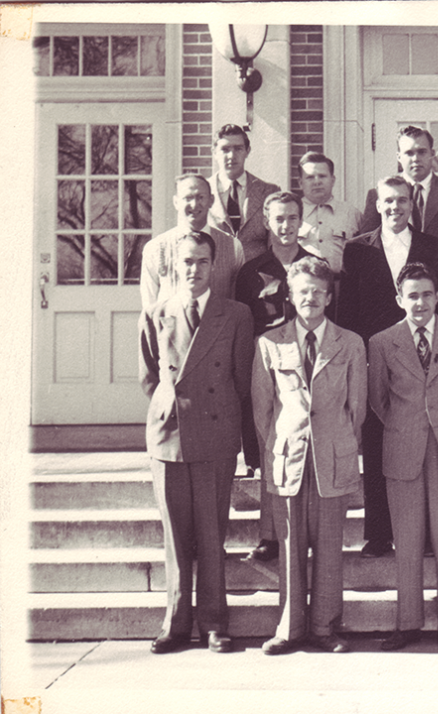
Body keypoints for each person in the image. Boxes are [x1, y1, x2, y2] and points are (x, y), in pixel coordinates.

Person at [139, 230, 254, 655]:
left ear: (214, 265)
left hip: (215, 433)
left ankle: (214, 623)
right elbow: (149, 377)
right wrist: (168, 410)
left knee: (211, 534)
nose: (194, 270)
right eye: (186, 261)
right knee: (174, 534)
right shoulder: (155, 313)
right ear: (173, 265)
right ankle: (175, 623)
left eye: (202, 262)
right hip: (168, 435)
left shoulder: (236, 314)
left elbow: (242, 383)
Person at [251, 256, 367, 655]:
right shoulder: (270, 343)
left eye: (319, 291)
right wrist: (282, 444)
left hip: (332, 456)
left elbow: (357, 410)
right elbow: (263, 410)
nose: (311, 298)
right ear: (290, 294)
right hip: (289, 457)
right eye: (303, 291)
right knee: (289, 548)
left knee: (330, 548)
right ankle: (289, 628)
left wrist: (335, 442)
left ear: (329, 296)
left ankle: (325, 627)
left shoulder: (350, 343)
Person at [368, 262, 438, 652]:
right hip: (403, 448)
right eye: (412, 295)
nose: (420, 302)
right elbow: (379, 400)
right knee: (407, 540)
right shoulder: (382, 342)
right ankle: (408, 622)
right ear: (400, 299)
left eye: (427, 294)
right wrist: (408, 425)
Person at [341, 176, 438, 559]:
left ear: (411, 204)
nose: (395, 207)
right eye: (387, 201)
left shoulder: (433, 248)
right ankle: (379, 533)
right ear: (377, 205)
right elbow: (347, 311)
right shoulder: (357, 250)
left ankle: (429, 533)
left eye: (402, 200)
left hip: (422, 360)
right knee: (376, 444)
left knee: (425, 444)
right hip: (374, 358)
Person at [235, 191, 321, 562]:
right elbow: (243, 325)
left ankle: (312, 532)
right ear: (268, 223)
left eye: (292, 218)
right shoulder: (252, 272)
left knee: (311, 446)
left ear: (301, 221)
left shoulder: (317, 266)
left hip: (309, 364)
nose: (286, 226)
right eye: (279, 219)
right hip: (268, 365)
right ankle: (271, 535)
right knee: (272, 445)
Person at [141, 174, 244, 310]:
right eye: (188, 198)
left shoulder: (233, 246)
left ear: (211, 201)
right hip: (172, 329)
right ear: (176, 202)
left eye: (201, 197)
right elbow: (149, 306)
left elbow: (239, 301)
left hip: (219, 330)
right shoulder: (155, 247)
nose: (194, 205)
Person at [357, 125, 438, 244]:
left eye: (422, 152)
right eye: (409, 153)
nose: (415, 159)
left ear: (432, 153)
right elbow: (368, 244)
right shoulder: (378, 194)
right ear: (399, 156)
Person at [207, 124, 282, 262]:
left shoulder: (269, 192)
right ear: (214, 152)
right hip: (216, 276)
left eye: (238, 149)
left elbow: (275, 243)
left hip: (256, 277)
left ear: (247, 151)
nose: (231, 156)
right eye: (225, 149)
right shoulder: (203, 191)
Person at [297, 151, 362, 274]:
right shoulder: (291, 213)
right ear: (300, 183)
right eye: (310, 177)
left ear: (332, 180)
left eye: (322, 176)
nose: (317, 182)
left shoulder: (351, 213)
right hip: (303, 288)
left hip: (343, 287)